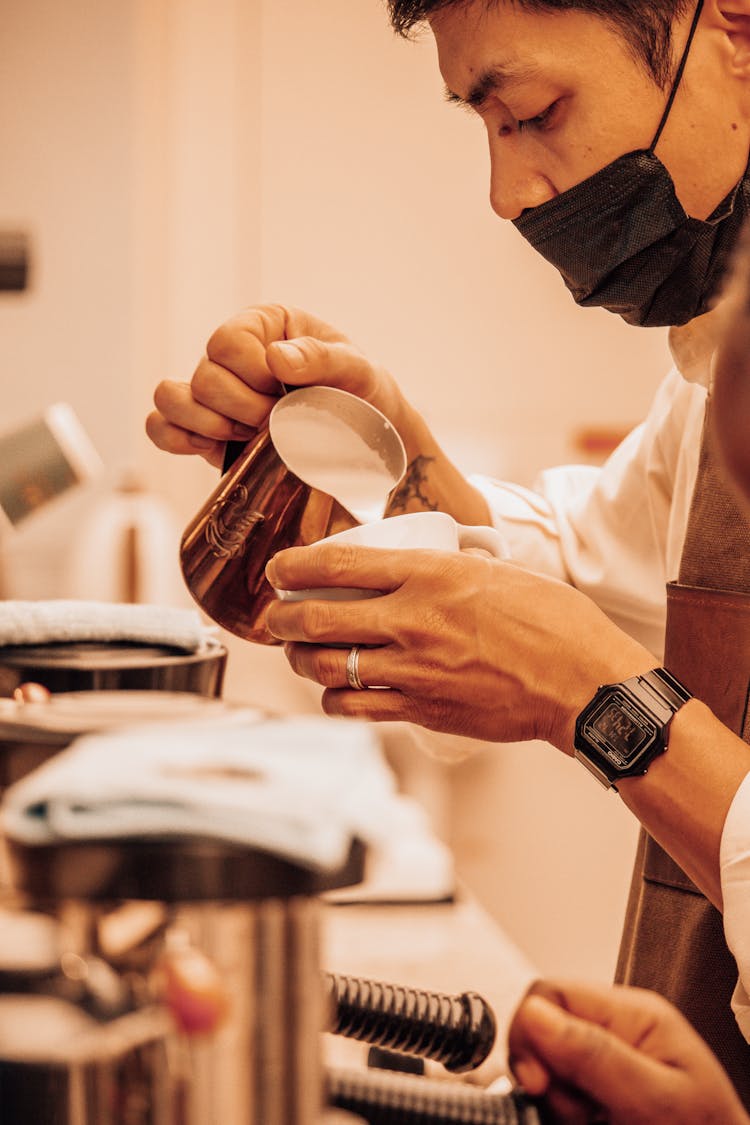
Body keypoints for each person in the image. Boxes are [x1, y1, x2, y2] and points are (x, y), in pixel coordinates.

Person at [146, 0, 750, 1104]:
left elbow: (582, 653)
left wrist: (596, 699)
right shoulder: (717, 375)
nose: (506, 193)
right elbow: (580, 573)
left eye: (531, 112)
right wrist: (381, 462)